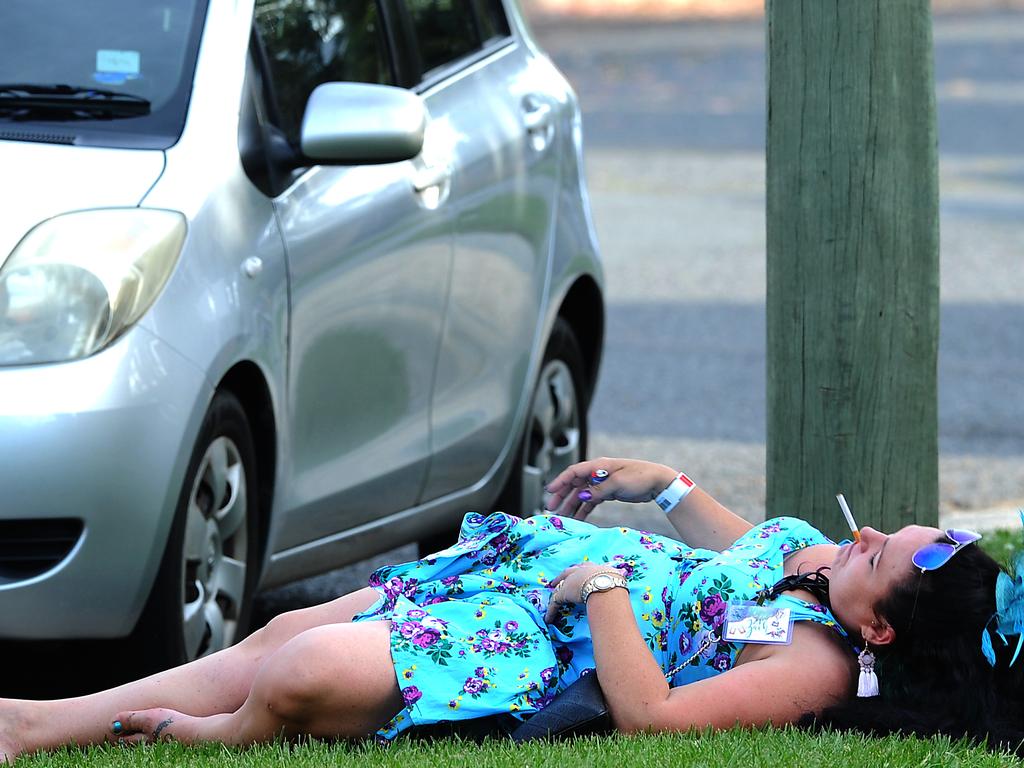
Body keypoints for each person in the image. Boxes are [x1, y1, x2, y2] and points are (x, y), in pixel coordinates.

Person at [1, 457, 1022, 762]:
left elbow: (652, 712)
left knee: (296, 676)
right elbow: (738, 545)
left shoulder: (816, 665)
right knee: (280, 634)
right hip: (530, 573)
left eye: (892, 554)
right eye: (901, 525)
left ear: (881, 628)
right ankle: (34, 723)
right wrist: (660, 487)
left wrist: (606, 592)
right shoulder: (814, 561)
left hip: (542, 637)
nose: (878, 532)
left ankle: (227, 733)